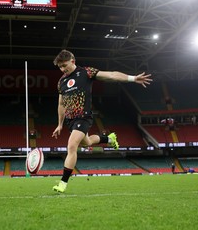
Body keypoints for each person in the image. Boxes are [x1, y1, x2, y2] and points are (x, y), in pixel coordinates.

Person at [52, 50, 152, 193]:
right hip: (70, 120)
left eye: (64, 65)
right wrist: (60, 124)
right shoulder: (61, 82)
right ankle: (109, 139)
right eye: (60, 67)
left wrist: (132, 78)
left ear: (72, 61)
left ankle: (63, 183)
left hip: (83, 117)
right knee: (87, 143)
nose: (62, 69)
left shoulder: (86, 72)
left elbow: (111, 75)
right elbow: (61, 104)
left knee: (72, 145)